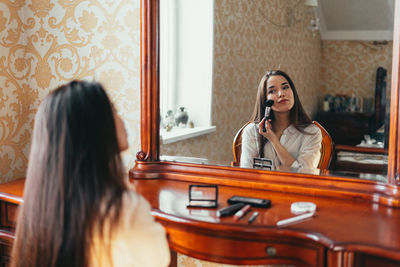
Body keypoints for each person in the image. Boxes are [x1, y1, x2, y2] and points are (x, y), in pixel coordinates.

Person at [11, 81, 170, 267]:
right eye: (113, 110)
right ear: (92, 128)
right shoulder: (124, 208)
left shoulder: (38, 207)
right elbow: (159, 259)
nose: (121, 119)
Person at [240, 70, 322, 170]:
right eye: (272, 91)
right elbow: (246, 173)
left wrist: (273, 140)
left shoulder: (312, 132)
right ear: (264, 100)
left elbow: (305, 174)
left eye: (285, 87)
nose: (281, 94)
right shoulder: (251, 131)